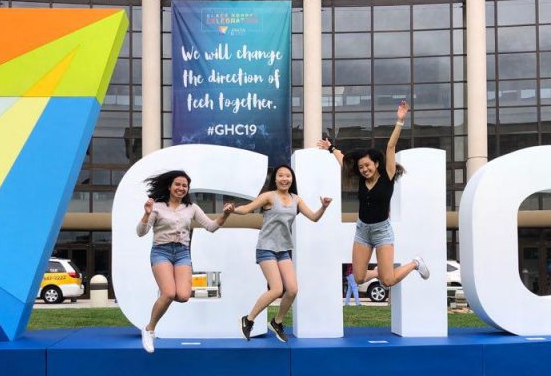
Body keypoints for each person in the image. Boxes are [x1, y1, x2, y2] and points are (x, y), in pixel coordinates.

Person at [316, 99, 430, 293]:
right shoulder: (361, 179)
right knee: (359, 278)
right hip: (362, 230)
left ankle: (414, 263)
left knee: (388, 281)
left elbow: (391, 147)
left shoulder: (388, 176)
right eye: (361, 167)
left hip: (382, 231)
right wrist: (331, 148)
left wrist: (400, 121)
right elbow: (343, 160)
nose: (364, 169)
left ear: (376, 164)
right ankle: (379, 271)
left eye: (367, 165)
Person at [233, 164, 332, 342]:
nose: (284, 179)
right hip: (266, 247)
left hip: (283, 249)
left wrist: (323, 207)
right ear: (275, 179)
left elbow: (314, 218)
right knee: (277, 289)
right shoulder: (269, 196)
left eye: (288, 176)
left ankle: (277, 322)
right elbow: (247, 209)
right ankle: (248, 320)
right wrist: (232, 209)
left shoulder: (296, 199)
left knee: (292, 290)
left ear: (292, 179)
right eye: (281, 176)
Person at [136, 170, 233, 353]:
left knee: (183, 295)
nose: (181, 188)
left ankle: (166, 290)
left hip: (182, 254)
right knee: (169, 293)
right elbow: (141, 232)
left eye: (184, 185)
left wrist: (225, 215)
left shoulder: (192, 208)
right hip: (161, 252)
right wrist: (146, 214)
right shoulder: (157, 206)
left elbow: (211, 227)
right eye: (177, 184)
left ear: (187, 189)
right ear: (170, 186)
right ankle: (149, 329)